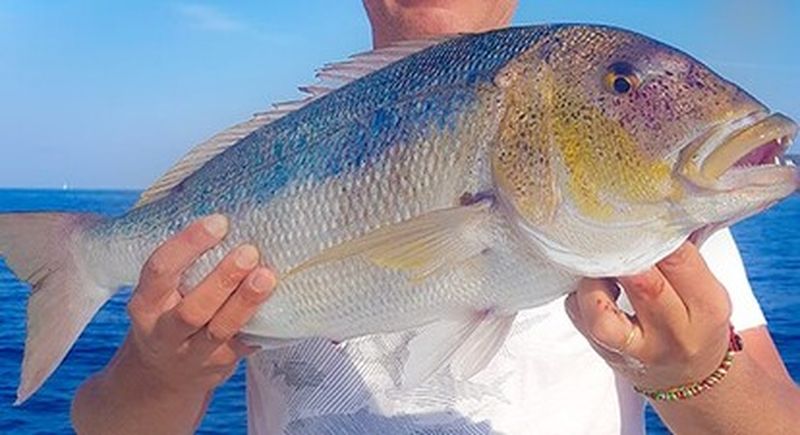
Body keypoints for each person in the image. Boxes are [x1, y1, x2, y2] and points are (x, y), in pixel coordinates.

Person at [71, 1, 800, 434]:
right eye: (622, 86)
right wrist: (161, 371)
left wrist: (696, 372)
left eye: (618, 84)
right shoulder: (260, 167)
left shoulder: (661, 228)